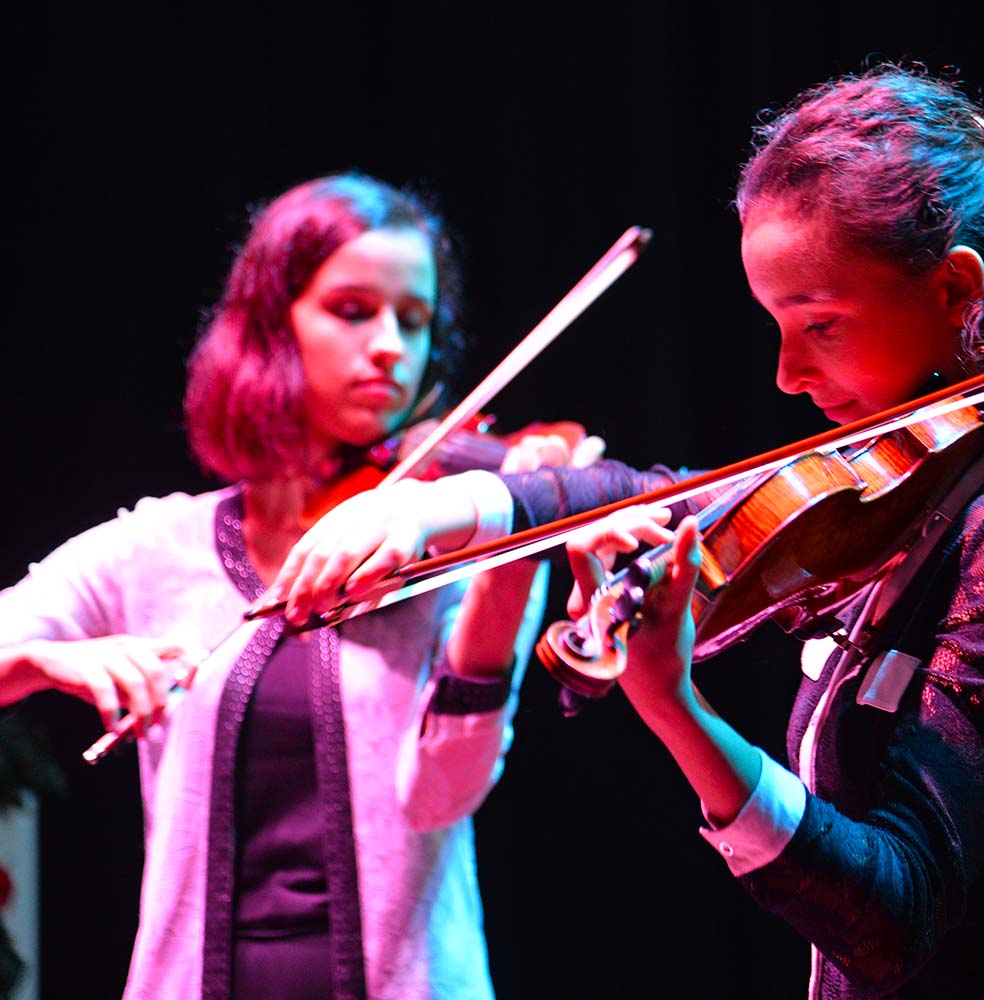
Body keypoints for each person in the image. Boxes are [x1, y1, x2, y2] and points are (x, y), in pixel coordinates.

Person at [260, 67, 984, 998]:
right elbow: (646, 496)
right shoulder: (913, 485)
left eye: (821, 324)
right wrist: (418, 510)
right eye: (775, 324)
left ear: (955, 291)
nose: (785, 373)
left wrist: (675, 711)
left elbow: (894, 919)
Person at [0, 172, 602, 999]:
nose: (392, 345)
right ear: (272, 330)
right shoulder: (158, 546)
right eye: (354, 311)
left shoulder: (448, 539)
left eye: (414, 320)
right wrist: (48, 662)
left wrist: (513, 547)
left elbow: (442, 795)